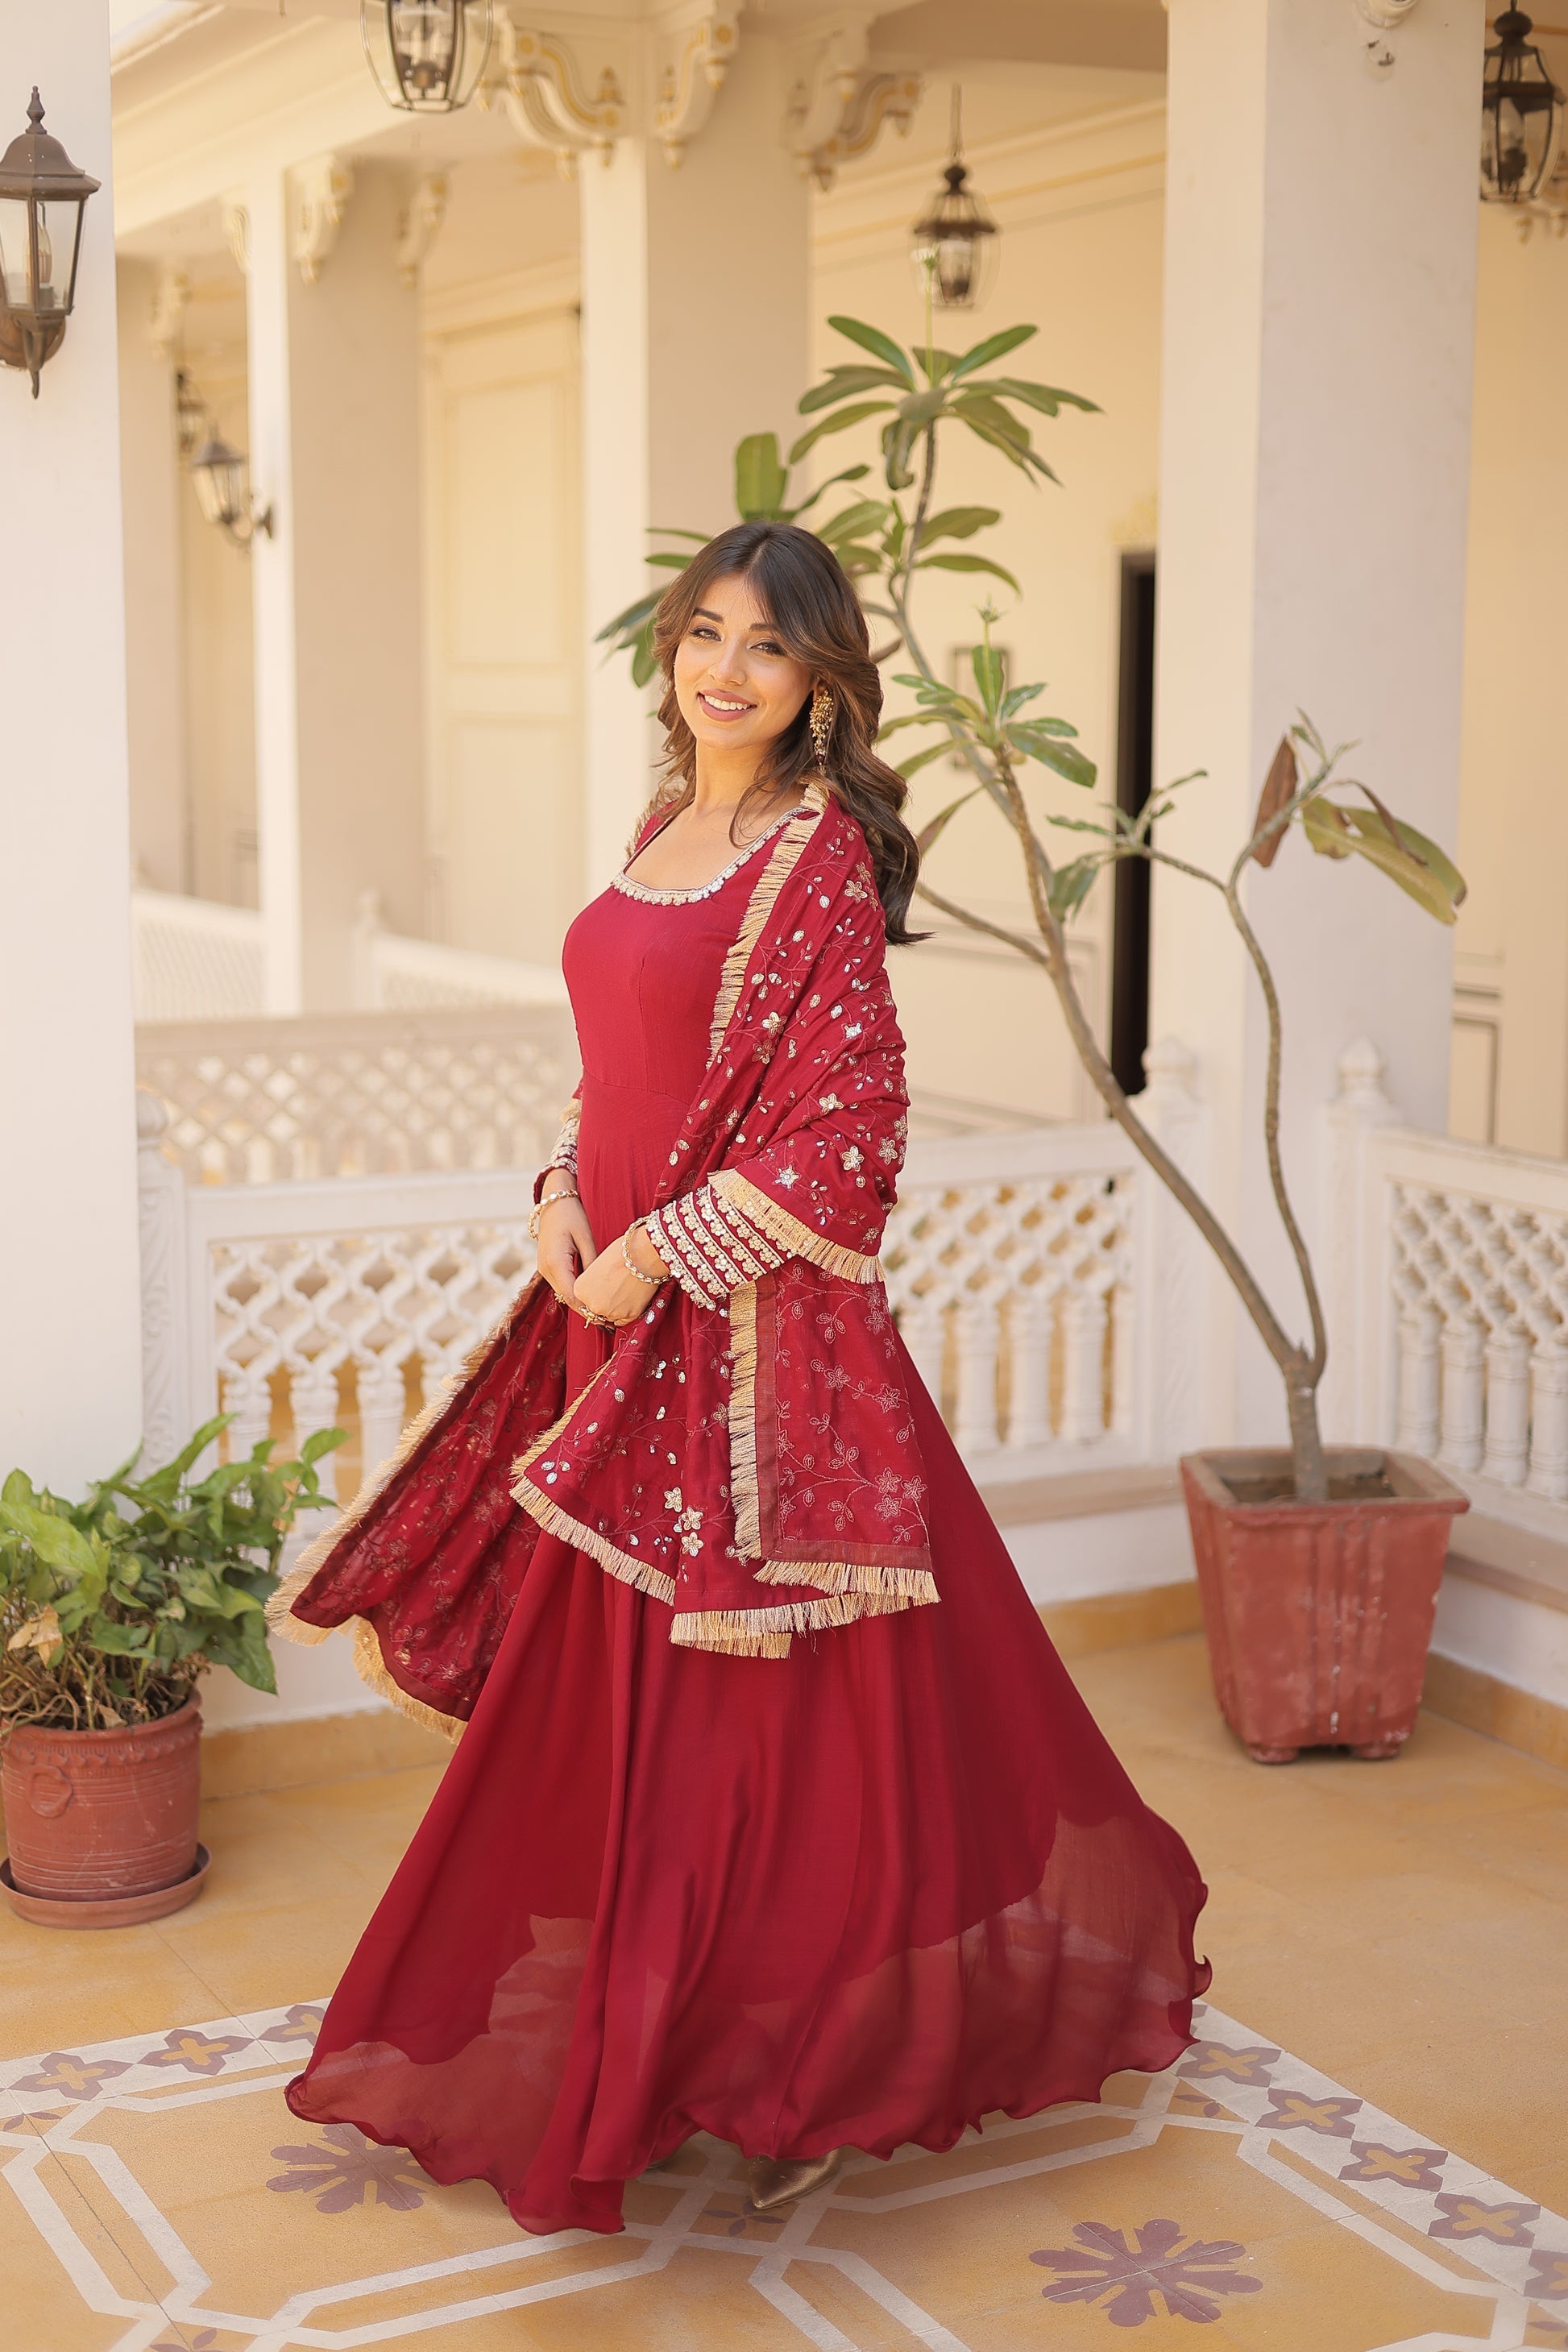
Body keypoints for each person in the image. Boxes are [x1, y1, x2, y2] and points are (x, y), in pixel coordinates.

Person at [269, 521, 1209, 2238]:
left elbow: (852, 1137)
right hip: (610, 1315)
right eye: (704, 632)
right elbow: (619, 1067)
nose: (725, 668)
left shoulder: (814, 857)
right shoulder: (662, 829)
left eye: (766, 645)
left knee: (753, 1737)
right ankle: (665, 2034)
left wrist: (656, 1254)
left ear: (818, 680)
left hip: (745, 1356)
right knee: (624, 1718)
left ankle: (787, 2070)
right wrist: (560, 1190)